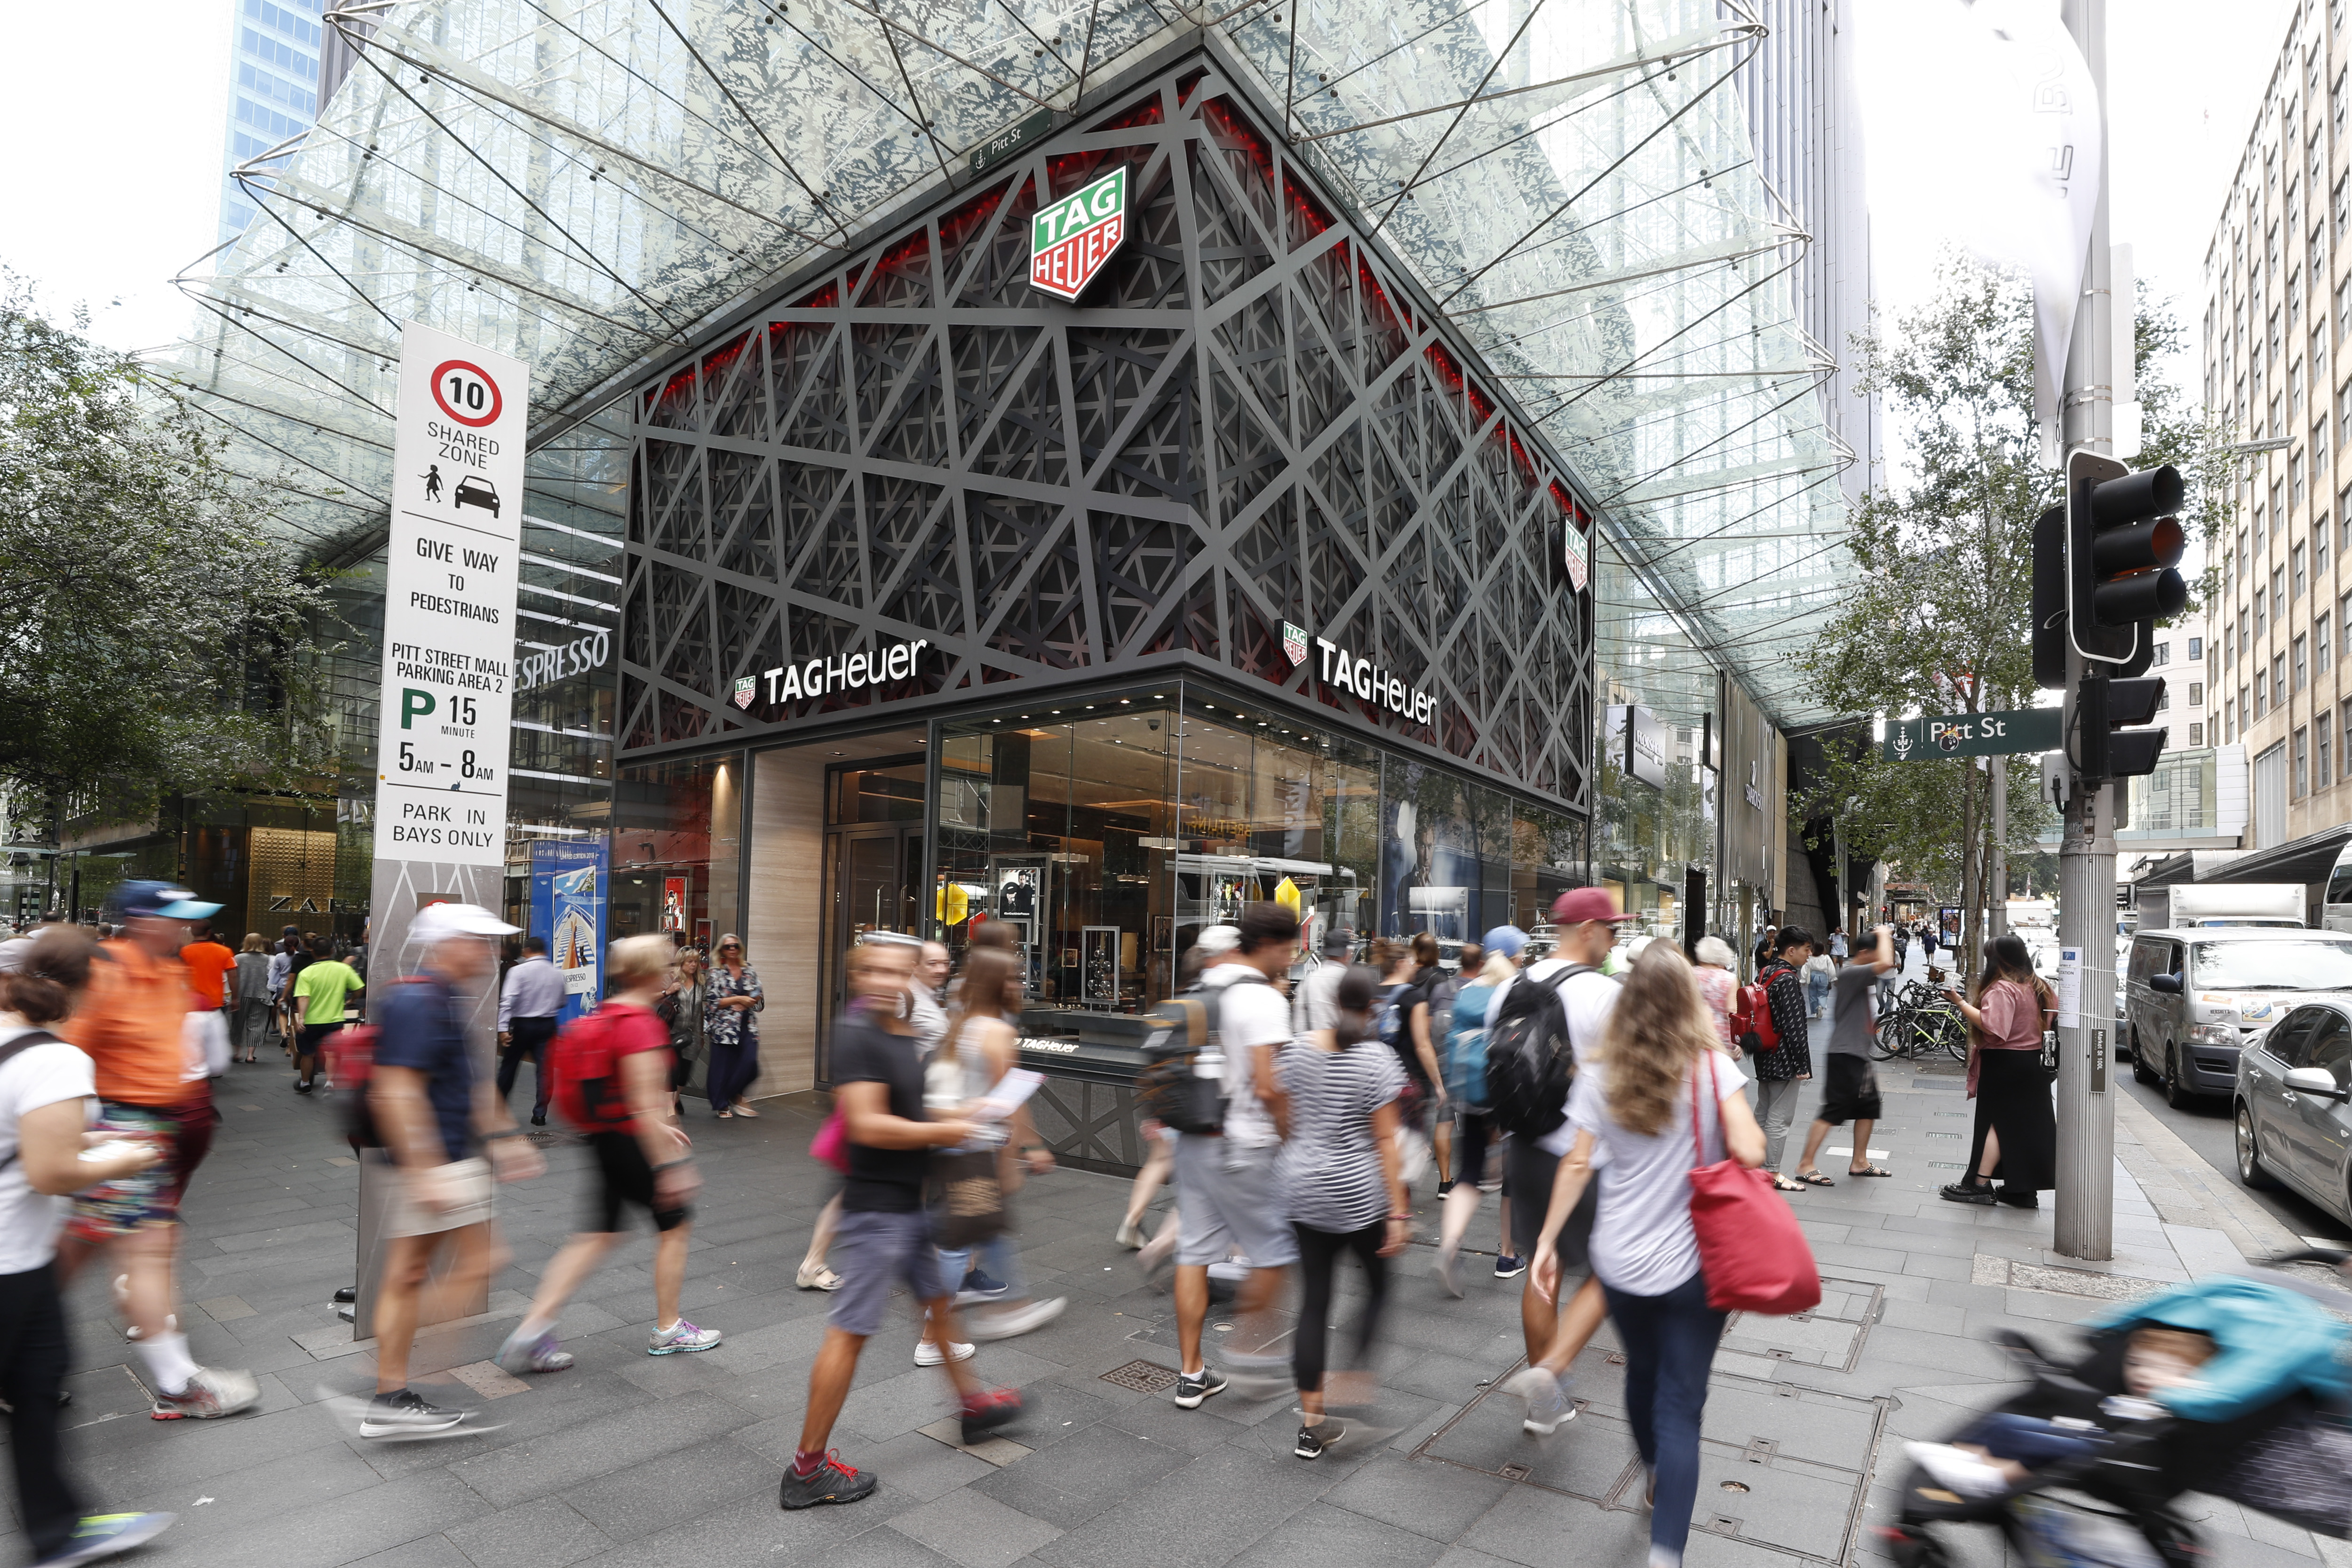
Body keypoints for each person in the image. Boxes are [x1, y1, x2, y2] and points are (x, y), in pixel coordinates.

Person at [1531, 940, 1767, 1568]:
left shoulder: (1605, 1071)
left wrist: (1549, 1241)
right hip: (1697, 1267)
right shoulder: (1713, 1068)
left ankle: (1655, 1469)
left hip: (1622, 1262)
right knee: (1682, 1404)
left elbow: (1578, 1163)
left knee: (1640, 1372)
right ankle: (1667, 1551)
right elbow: (1750, 1150)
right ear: (1690, 1001)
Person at [779, 939, 1019, 1509]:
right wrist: (946, 1132)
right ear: (856, 974)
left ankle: (973, 1407)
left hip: (907, 1205)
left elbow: (907, 1112)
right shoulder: (858, 1035)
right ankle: (807, 1470)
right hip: (876, 1211)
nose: (887, 981)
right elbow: (868, 1126)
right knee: (850, 1332)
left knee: (937, 1302)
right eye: (874, 971)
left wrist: (965, 1115)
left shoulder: (898, 1031)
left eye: (897, 972)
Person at [0, 928, 179, 1564]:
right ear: (85, 985)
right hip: (9, 1261)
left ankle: (58, 1531)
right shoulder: (55, 1058)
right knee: (39, 1380)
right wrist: (123, 1157)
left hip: (26, 1256)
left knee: (42, 1379)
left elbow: (28, 1146)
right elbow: (51, 1170)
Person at [55, 883, 258, 1421]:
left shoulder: (169, 971)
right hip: (120, 1124)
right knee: (148, 1250)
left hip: (149, 1129)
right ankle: (176, 1382)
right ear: (144, 921)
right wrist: (86, 1130)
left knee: (75, 1249)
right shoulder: (106, 973)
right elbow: (71, 1054)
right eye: (177, 918)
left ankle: (14, 1354)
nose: (187, 927)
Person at [496, 935, 718, 1376]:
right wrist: (670, 1168)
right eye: (668, 963)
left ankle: (531, 1331)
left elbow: (614, 1091)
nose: (673, 969)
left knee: (595, 1236)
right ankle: (669, 1328)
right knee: (675, 1227)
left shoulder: (607, 1013)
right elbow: (641, 1103)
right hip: (631, 1141)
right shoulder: (641, 1023)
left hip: (604, 1138)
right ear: (654, 971)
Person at [365, 902, 544, 1437]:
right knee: (473, 1262)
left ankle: (393, 1386)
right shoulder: (422, 1001)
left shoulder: (440, 999)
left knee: (413, 1274)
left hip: (445, 1160)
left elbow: (470, 1084)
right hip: (438, 1162)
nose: (489, 953)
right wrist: (423, 1170)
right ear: (446, 945)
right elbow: (396, 1089)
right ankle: (399, 1379)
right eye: (477, 941)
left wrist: (508, 1139)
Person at [1492, 888, 1631, 1436]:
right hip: (1584, 1154)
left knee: (1540, 1263)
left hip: (1524, 1144)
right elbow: (1624, 1079)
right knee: (1609, 1270)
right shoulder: (1603, 993)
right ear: (1590, 929)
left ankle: (1541, 1404)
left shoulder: (1510, 984)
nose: (1613, 941)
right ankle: (1551, 1373)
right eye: (1612, 930)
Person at [1170, 902, 1301, 1411]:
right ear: (1271, 946)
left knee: (1193, 1252)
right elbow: (1269, 1087)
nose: (1289, 962)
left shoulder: (1206, 982)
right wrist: (1291, 1137)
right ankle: (1248, 1349)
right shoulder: (1264, 999)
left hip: (1192, 1138)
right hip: (1243, 1143)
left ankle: (1190, 1373)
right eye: (1289, 951)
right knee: (1276, 1251)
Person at [1279, 963, 1407, 1458]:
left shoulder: (1297, 1049)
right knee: (1377, 1287)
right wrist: (1397, 1213)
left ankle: (1312, 1423)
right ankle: (1351, 1382)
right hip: (1358, 1196)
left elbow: (1285, 1111)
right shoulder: (1378, 1061)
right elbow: (1385, 1141)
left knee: (1314, 1301)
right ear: (1374, 1007)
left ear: (1334, 1004)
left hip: (1302, 1188)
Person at [922, 946, 1063, 1349]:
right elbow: (1009, 1103)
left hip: (953, 1140)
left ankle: (1004, 1304)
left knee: (982, 1229)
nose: (1020, 985)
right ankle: (938, 1330)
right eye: (1014, 978)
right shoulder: (998, 1032)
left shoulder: (961, 1023)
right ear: (997, 984)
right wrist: (1021, 1152)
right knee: (963, 1237)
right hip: (975, 1146)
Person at [1939, 934, 2057, 1210]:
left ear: (1998, 959)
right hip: (2035, 1063)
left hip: (2005, 1064)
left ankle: (1979, 1184)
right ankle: (2022, 1189)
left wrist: (1959, 1002)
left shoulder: (2003, 989)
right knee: (2023, 1127)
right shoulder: (2040, 986)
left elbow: (1995, 1028)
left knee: (1997, 1123)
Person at [1435, 929, 1520, 1294]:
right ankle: (1508, 1254)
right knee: (1511, 1180)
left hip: (1467, 1091)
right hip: (1503, 1096)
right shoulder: (1513, 992)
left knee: (1468, 1174)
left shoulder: (1466, 991)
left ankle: (1449, 1244)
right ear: (1516, 958)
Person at [1790, 925, 1896, 1186]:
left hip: (1857, 1053)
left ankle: (1860, 1162)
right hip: (1845, 1054)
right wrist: (1885, 933)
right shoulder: (1851, 972)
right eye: (1874, 952)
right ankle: (1805, 1164)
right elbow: (1887, 963)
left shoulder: (1856, 975)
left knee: (1868, 1107)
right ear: (1864, 952)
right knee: (1834, 1109)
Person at [1375, 936, 1446, 1185]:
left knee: (1379, 1144)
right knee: (1407, 1151)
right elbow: (1423, 1045)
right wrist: (1438, 1084)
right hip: (1406, 1082)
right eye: (1412, 962)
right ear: (1402, 964)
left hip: (1373, 1080)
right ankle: (1398, 1208)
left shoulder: (1372, 994)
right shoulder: (1414, 997)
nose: (1415, 966)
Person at [1748, 928, 1814, 1194]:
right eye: (1807, 949)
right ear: (1792, 951)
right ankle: (1772, 1171)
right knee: (1780, 1117)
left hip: (1765, 1052)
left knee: (1763, 1111)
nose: (1810, 955)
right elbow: (1795, 1026)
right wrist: (1803, 1065)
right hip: (1783, 1057)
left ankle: (1753, 1166)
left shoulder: (1765, 972)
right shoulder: (1787, 979)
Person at [1427, 939, 1478, 1195]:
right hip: (1475, 1064)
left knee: (1444, 1121)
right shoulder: (1482, 990)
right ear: (1481, 964)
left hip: (1446, 1062)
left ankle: (1445, 1181)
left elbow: (1428, 1029)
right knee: (1480, 1119)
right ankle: (1477, 1173)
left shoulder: (1442, 988)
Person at [495, 935, 563, 1126]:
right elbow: (562, 1001)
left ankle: (499, 1110)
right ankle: (540, 1114)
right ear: (544, 952)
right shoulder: (557, 973)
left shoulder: (518, 971)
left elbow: (508, 1001)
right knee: (545, 1071)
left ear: (528, 951)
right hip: (547, 1026)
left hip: (523, 1024)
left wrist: (502, 1028)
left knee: (509, 1066)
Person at [290, 937, 363, 1094]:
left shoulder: (306, 972)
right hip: (335, 1020)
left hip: (311, 1021)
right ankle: (329, 1083)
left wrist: (301, 1018)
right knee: (331, 1053)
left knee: (308, 1053)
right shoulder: (343, 969)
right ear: (332, 951)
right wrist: (352, 999)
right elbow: (359, 988)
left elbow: (303, 997)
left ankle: (305, 1083)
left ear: (313, 952)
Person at [705, 934, 763, 1119]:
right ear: (722, 950)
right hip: (725, 1026)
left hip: (747, 1025)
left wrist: (748, 1002)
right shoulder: (716, 973)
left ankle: (732, 1094)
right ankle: (722, 1104)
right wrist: (738, 999)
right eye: (728, 946)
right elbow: (712, 1001)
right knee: (721, 1068)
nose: (732, 949)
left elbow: (757, 992)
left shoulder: (749, 970)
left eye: (735, 946)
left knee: (750, 1063)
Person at [660, 947, 711, 1119]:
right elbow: (652, 999)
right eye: (690, 961)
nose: (694, 965)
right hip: (672, 1032)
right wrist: (667, 992)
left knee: (685, 1071)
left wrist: (701, 1035)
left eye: (696, 961)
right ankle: (669, 1109)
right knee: (673, 1070)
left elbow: (700, 1012)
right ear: (682, 962)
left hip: (692, 1034)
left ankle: (675, 1099)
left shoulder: (700, 984)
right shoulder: (670, 979)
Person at [1294, 926, 1354, 1035]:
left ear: (1325, 952)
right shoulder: (1350, 980)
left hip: (1311, 1046)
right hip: (1341, 1047)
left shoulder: (1308, 981)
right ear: (1347, 954)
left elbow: (1299, 1025)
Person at [1691, 938, 1741, 1052]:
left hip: (1696, 1034)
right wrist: (1737, 1041)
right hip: (1721, 1039)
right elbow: (1732, 1011)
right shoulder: (1729, 979)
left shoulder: (1691, 973)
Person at [230, 934, 272, 1066]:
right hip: (261, 994)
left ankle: (237, 1053)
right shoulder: (267, 959)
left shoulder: (238, 958)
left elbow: (233, 976)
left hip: (242, 994)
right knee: (257, 1025)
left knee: (238, 1023)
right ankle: (250, 1055)